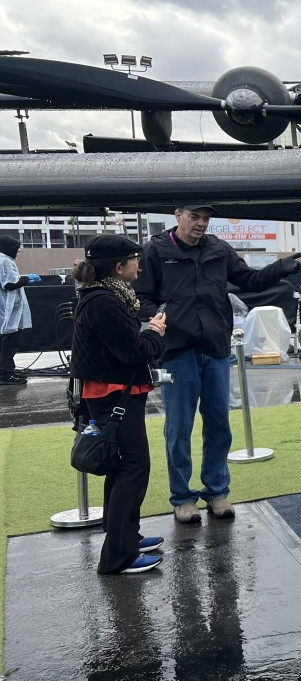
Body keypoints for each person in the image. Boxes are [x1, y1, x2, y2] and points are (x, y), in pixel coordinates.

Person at [134, 204, 301, 524]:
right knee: (179, 428)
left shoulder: (219, 249)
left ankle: (217, 492)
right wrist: (162, 315)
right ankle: (182, 497)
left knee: (219, 424)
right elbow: (140, 296)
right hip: (177, 351)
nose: (201, 223)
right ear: (178, 215)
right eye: (195, 217)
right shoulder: (155, 251)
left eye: (206, 218)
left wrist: (280, 268)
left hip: (215, 348)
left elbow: (250, 280)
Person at [70, 235, 168, 574]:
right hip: (115, 396)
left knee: (121, 468)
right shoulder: (106, 302)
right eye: (134, 259)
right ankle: (117, 556)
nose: (139, 266)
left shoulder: (98, 297)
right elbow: (133, 351)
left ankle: (125, 538)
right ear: (118, 266)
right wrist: (154, 332)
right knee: (133, 468)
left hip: (110, 394)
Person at [0, 234, 40, 385]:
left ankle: (6, 371)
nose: (18, 252)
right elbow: (10, 284)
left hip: (4, 310)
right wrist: (27, 279)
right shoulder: (5, 260)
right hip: (8, 311)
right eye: (17, 249)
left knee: (4, 343)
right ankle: (6, 374)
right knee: (9, 344)